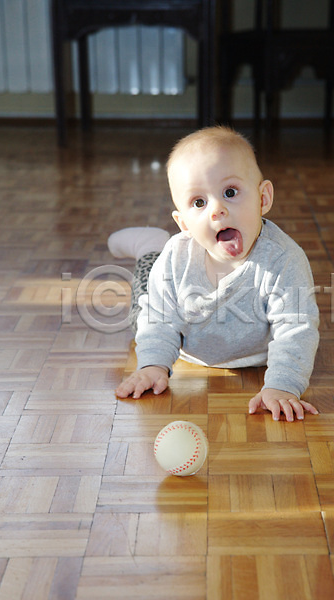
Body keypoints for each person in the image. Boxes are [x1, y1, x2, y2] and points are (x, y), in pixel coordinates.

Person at [109, 126, 319, 421]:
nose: (217, 210)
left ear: (263, 198)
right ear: (184, 224)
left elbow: (296, 329)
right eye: (199, 202)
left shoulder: (283, 260)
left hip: (254, 355)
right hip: (183, 340)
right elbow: (159, 319)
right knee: (141, 312)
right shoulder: (177, 257)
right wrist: (153, 365)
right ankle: (149, 248)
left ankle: (153, 245)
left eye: (230, 193)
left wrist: (283, 385)